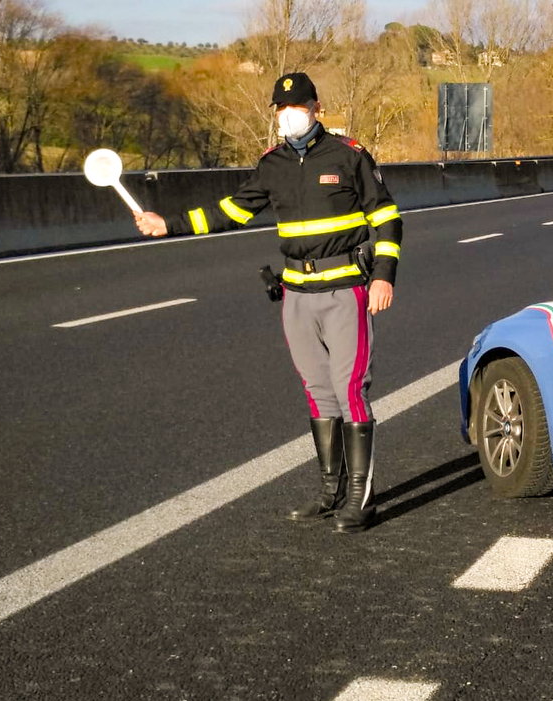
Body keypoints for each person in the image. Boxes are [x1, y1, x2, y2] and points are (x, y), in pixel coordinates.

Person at [134, 72, 402, 534]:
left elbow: (388, 218)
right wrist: (168, 225)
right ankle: (329, 492)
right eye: (280, 108)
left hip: (345, 293)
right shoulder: (273, 163)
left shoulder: (349, 155)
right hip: (296, 296)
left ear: (316, 106)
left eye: (296, 105)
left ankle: (362, 497)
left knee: (350, 389)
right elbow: (231, 210)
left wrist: (384, 277)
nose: (288, 114)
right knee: (318, 394)